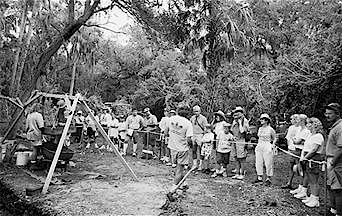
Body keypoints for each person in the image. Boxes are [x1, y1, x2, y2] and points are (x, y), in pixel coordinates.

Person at [164, 105, 193, 195]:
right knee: (180, 169)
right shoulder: (188, 124)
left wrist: (173, 137)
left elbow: (165, 133)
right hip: (182, 149)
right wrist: (191, 146)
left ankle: (183, 184)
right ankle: (172, 190)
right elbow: (188, 139)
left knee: (177, 167)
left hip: (172, 147)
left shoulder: (170, 120)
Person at [300, 117, 324, 208]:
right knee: (310, 178)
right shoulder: (310, 135)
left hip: (313, 159)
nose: (307, 126)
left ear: (314, 125)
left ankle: (316, 199)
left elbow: (314, 149)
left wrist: (305, 158)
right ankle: (312, 196)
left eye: (308, 124)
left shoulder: (318, 136)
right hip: (307, 158)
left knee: (314, 180)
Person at [324, 103, 342, 216]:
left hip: (336, 162)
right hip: (330, 160)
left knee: (338, 189)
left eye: (330, 113)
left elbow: (340, 148)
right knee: (330, 187)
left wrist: (332, 162)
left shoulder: (340, 127)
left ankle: (339, 213)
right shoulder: (334, 126)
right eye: (326, 113)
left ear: (337, 114)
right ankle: (333, 209)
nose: (327, 116)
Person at [290, 114, 311, 197]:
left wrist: (294, 140)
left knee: (303, 170)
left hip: (301, 151)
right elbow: (296, 140)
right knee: (298, 170)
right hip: (296, 150)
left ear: (302, 121)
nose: (296, 121)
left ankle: (304, 190)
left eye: (298, 120)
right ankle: (300, 186)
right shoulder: (299, 130)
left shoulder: (306, 131)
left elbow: (297, 141)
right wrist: (295, 140)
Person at [253, 113, 277, 186]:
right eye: (261, 119)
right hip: (260, 145)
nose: (261, 121)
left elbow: (275, 138)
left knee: (268, 162)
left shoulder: (270, 129)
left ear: (266, 120)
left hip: (267, 145)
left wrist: (273, 144)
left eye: (263, 119)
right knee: (258, 162)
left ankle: (268, 178)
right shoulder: (260, 129)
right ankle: (259, 177)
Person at [281, 114, 301, 189]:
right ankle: (289, 183)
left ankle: (301, 185)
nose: (291, 121)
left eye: (292, 119)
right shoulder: (290, 128)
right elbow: (287, 138)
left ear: (296, 120)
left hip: (297, 149)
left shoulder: (299, 129)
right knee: (291, 166)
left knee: (298, 167)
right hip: (290, 149)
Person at [230, 107, 249, 180]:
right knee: (236, 158)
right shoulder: (234, 123)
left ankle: (242, 173)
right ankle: (237, 173)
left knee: (242, 158)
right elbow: (232, 130)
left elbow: (242, 131)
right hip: (234, 141)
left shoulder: (245, 123)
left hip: (241, 141)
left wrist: (240, 123)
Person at [26, 103, 44, 170]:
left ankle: (33, 162)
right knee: (35, 150)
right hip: (36, 134)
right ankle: (33, 164)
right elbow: (41, 126)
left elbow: (27, 126)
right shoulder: (38, 115)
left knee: (34, 148)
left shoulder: (29, 115)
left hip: (30, 133)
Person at [190, 106, 208, 173]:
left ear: (200, 111)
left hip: (200, 135)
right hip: (193, 134)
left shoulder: (203, 118)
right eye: (195, 111)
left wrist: (204, 136)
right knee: (194, 149)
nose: (196, 112)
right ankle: (194, 164)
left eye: (197, 111)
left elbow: (205, 128)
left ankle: (201, 164)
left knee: (201, 150)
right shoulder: (192, 118)